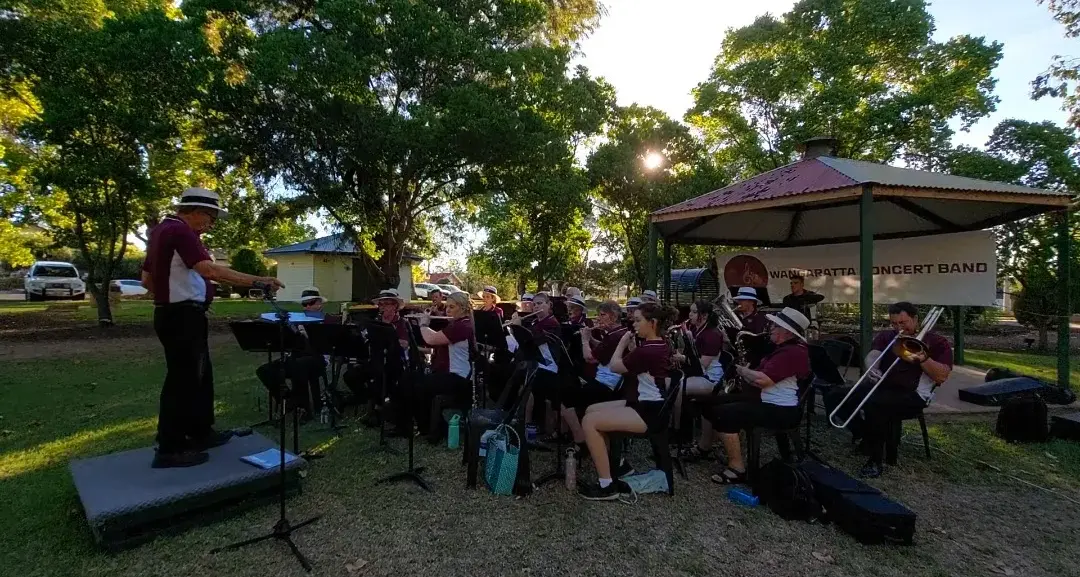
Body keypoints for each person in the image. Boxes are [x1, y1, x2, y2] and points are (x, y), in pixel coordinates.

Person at [141, 187, 283, 468]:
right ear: (195, 212)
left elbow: (146, 279)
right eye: (211, 217)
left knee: (200, 377)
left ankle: (200, 432)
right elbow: (211, 271)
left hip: (179, 314)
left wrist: (174, 295)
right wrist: (259, 280)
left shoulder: (161, 232)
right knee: (182, 380)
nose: (211, 224)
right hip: (181, 316)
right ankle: (170, 447)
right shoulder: (180, 232)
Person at [824, 302, 952, 478]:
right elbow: (874, 355)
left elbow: (941, 376)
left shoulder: (938, 342)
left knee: (875, 405)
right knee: (835, 396)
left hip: (913, 394)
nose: (899, 327)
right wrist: (873, 367)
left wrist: (922, 357)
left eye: (903, 322)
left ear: (915, 319)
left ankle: (875, 461)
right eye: (894, 323)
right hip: (882, 386)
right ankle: (865, 434)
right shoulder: (887, 336)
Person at [577, 302, 677, 501]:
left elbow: (615, 366)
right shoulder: (657, 344)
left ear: (653, 323)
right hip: (644, 403)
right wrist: (631, 348)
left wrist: (622, 344)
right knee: (591, 410)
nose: (634, 324)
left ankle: (606, 485)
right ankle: (616, 465)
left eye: (639, 320)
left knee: (589, 422)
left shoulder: (649, 349)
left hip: (649, 411)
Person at [704, 307, 810, 485]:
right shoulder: (782, 348)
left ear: (786, 332)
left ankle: (737, 469)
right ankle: (705, 447)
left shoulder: (792, 352)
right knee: (710, 403)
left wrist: (743, 371)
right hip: (767, 401)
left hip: (781, 410)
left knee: (725, 414)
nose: (771, 329)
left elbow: (763, 380)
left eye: (775, 327)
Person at [255, 287, 337, 422]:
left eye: (311, 303)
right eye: (305, 304)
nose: (307, 307)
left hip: (319, 358)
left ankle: (304, 409)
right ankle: (289, 399)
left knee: (298, 366)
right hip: (296, 356)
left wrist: (309, 335)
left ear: (319, 303)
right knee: (265, 370)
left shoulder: (328, 320)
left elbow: (330, 344)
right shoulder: (296, 319)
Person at [412, 291, 476, 442]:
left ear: (462, 308)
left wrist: (423, 323)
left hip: (462, 379)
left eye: (452, 307)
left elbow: (432, 339)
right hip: (458, 375)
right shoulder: (461, 323)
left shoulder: (462, 326)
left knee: (418, 385)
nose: (447, 311)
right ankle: (432, 427)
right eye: (447, 307)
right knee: (418, 382)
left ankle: (434, 429)